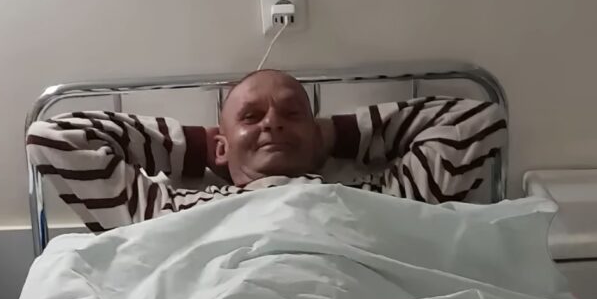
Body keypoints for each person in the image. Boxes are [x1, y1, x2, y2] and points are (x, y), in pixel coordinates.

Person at [26, 69, 507, 232]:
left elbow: (477, 121)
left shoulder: (382, 199)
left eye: (292, 114)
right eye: (251, 117)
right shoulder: (166, 212)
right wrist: (202, 148)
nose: (272, 122)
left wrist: (334, 135)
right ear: (220, 144)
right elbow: (53, 138)